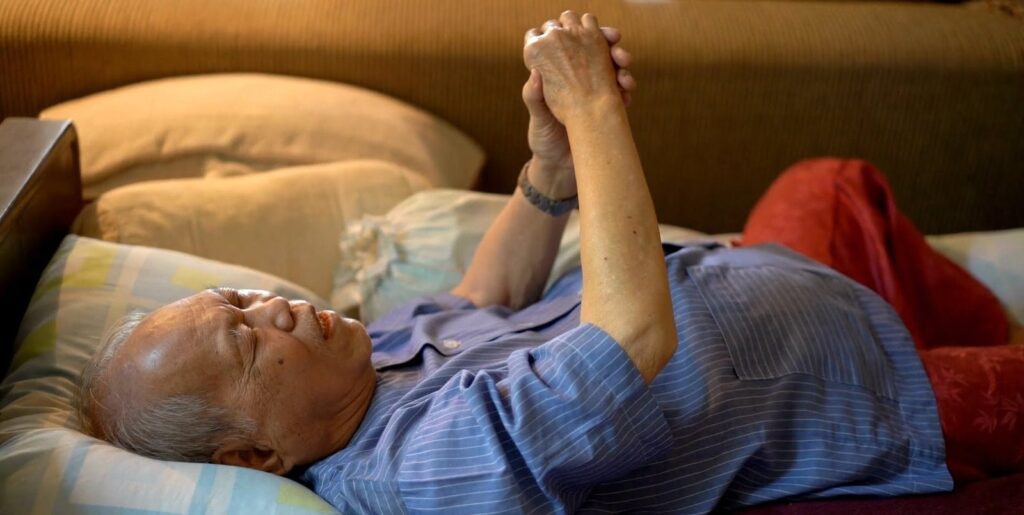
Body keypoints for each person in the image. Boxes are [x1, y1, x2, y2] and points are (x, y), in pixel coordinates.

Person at [78, 11, 1024, 513]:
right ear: (254, 455)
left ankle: (950, 316)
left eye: (243, 297)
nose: (276, 309)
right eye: (248, 342)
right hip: (855, 391)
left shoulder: (359, 362)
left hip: (774, 286)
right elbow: (632, 338)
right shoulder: (420, 472)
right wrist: (595, 112)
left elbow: (481, 295)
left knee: (830, 183)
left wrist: (551, 167)